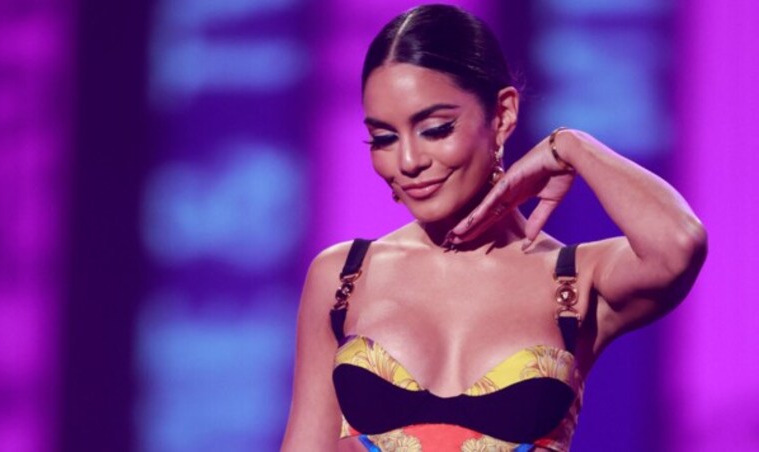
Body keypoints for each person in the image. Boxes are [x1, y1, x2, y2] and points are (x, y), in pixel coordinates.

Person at [281, 4, 707, 451]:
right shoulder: (344, 276)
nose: (407, 162)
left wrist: (573, 147)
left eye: (436, 128)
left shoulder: (574, 279)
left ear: (502, 116)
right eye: (384, 138)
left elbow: (679, 242)